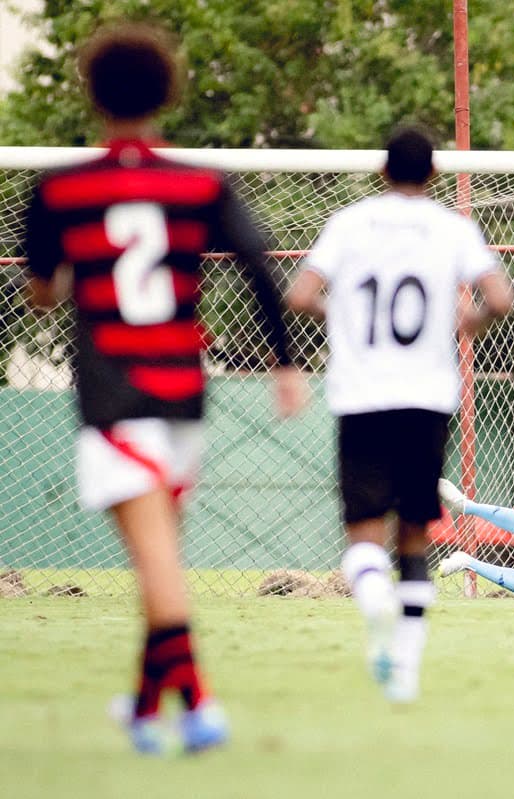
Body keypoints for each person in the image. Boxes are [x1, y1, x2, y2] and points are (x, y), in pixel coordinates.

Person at [20, 23, 305, 755]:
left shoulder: (58, 190)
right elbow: (260, 269)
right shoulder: (200, 184)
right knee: (161, 557)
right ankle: (147, 709)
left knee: (157, 562)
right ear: (169, 94)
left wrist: (64, 278)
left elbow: (42, 294)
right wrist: (284, 363)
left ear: (89, 95)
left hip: (115, 398)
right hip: (183, 391)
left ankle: (200, 705)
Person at [287, 126, 514, 700]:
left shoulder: (349, 223)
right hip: (427, 397)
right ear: (433, 174)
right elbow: (501, 298)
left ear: (382, 172)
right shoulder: (452, 228)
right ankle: (406, 669)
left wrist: (341, 323)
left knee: (364, 538)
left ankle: (372, 599)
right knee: (414, 538)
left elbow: (299, 295)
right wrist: (468, 323)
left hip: (361, 397)